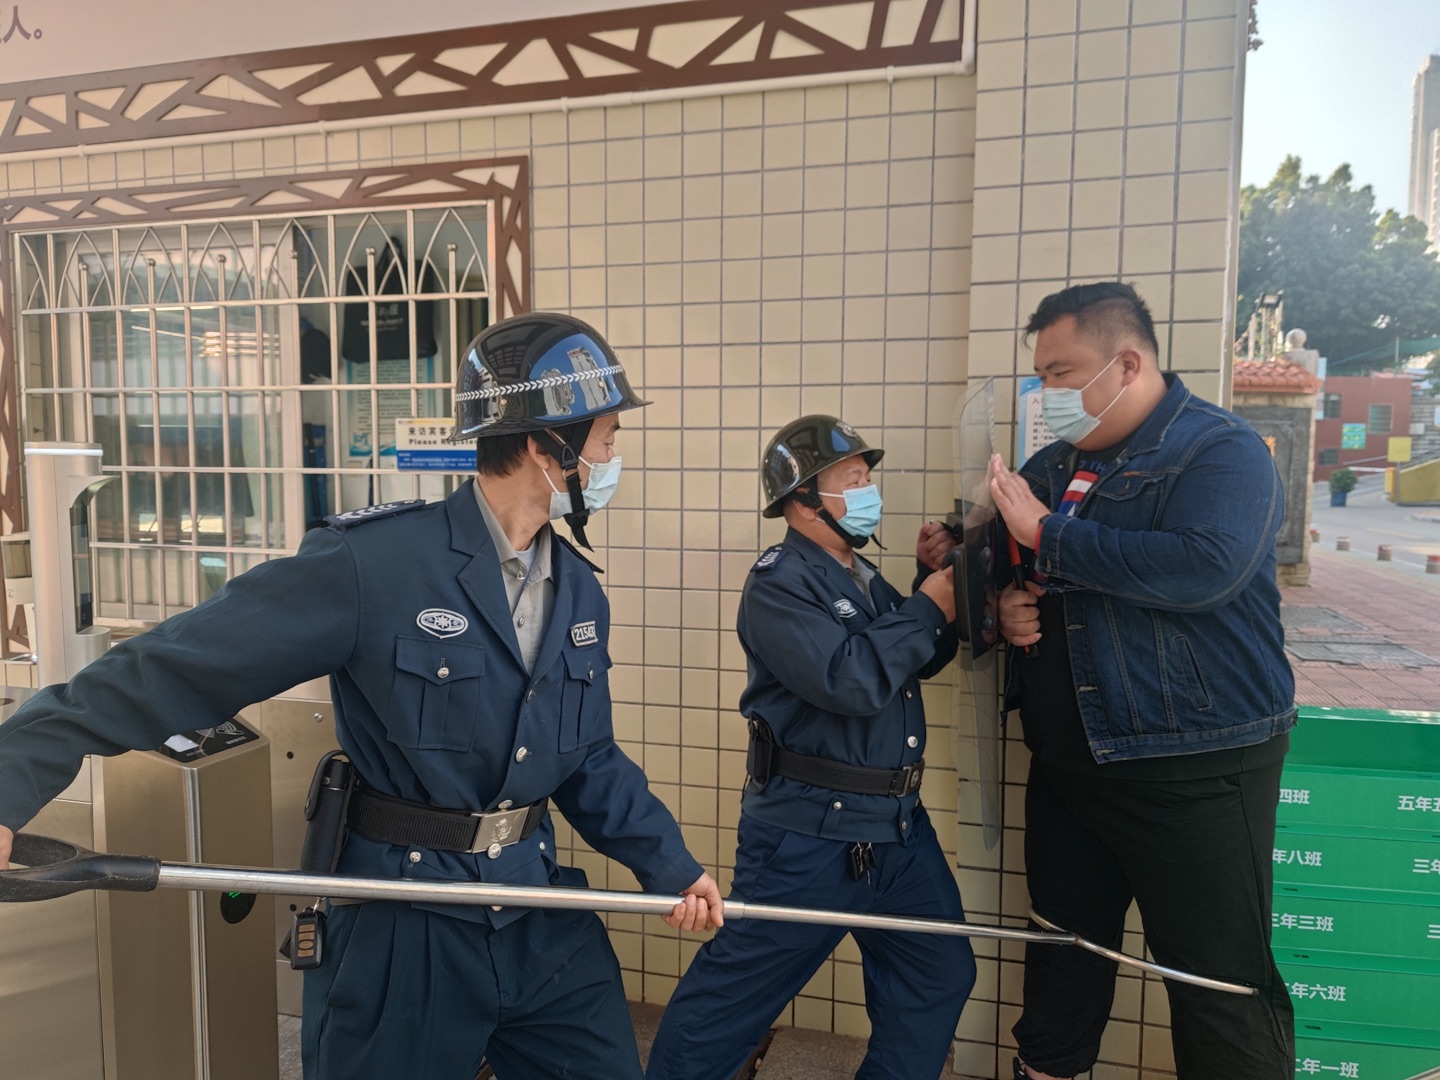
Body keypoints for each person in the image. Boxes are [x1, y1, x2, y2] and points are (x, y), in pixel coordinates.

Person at [0, 312, 722, 1080]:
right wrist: (11, 782)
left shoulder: (577, 589)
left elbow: (588, 758)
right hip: (404, 918)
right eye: (606, 439)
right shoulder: (373, 565)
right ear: (549, 446)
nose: (612, 460)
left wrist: (670, 865)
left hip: (537, 911)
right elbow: (174, 669)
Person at [986, 283, 1296, 1080]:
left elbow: (1204, 567)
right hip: (1069, 765)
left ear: (1126, 364)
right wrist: (1000, 598)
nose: (1048, 395)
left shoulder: (1220, 450)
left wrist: (1044, 534)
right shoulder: (1055, 464)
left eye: (1061, 374)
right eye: (1041, 378)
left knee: (1216, 980)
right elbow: (1010, 556)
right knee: (1064, 955)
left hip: (1193, 770)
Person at [646, 415, 976, 1080]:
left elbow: (907, 661)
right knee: (730, 1003)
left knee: (937, 971)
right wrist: (927, 605)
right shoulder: (780, 583)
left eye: (866, 478)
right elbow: (849, 679)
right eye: (851, 481)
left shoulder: (862, 574)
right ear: (803, 501)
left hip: (896, 830)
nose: (868, 491)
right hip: (809, 835)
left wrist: (929, 585)